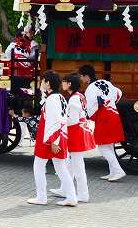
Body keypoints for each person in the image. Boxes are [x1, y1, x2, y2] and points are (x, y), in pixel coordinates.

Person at [28, 70, 77, 207]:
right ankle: (71, 197)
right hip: (59, 136)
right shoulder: (60, 97)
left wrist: (54, 141)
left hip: (49, 138)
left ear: (48, 83)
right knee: (61, 168)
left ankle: (41, 197)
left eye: (43, 81)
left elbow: (53, 121)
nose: (41, 83)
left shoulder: (52, 99)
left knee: (39, 166)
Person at [78, 64, 126, 181]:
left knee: (102, 146)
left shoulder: (90, 88)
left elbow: (91, 107)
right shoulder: (105, 82)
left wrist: (89, 117)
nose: (81, 79)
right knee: (109, 146)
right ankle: (112, 172)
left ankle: (118, 171)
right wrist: (111, 102)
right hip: (113, 113)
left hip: (103, 117)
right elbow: (118, 93)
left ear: (86, 76)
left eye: (81, 76)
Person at [54, 73, 96, 203]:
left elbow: (72, 120)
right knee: (72, 165)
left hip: (76, 133)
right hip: (80, 131)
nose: (62, 84)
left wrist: (60, 121)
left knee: (78, 166)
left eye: (64, 81)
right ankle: (65, 189)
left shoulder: (73, 99)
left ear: (69, 84)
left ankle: (83, 194)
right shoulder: (79, 96)